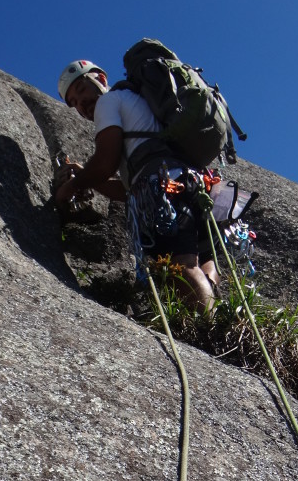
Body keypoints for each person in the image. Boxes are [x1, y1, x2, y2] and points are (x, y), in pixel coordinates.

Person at [54, 59, 221, 310]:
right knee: (202, 260)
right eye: (74, 103)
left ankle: (208, 332)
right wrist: (91, 180)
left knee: (182, 267)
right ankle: (219, 318)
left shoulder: (109, 102)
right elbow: (128, 189)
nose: (81, 104)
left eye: (81, 90)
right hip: (190, 185)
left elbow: (104, 163)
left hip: (166, 192)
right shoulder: (138, 104)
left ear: (100, 78)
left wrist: (70, 188)